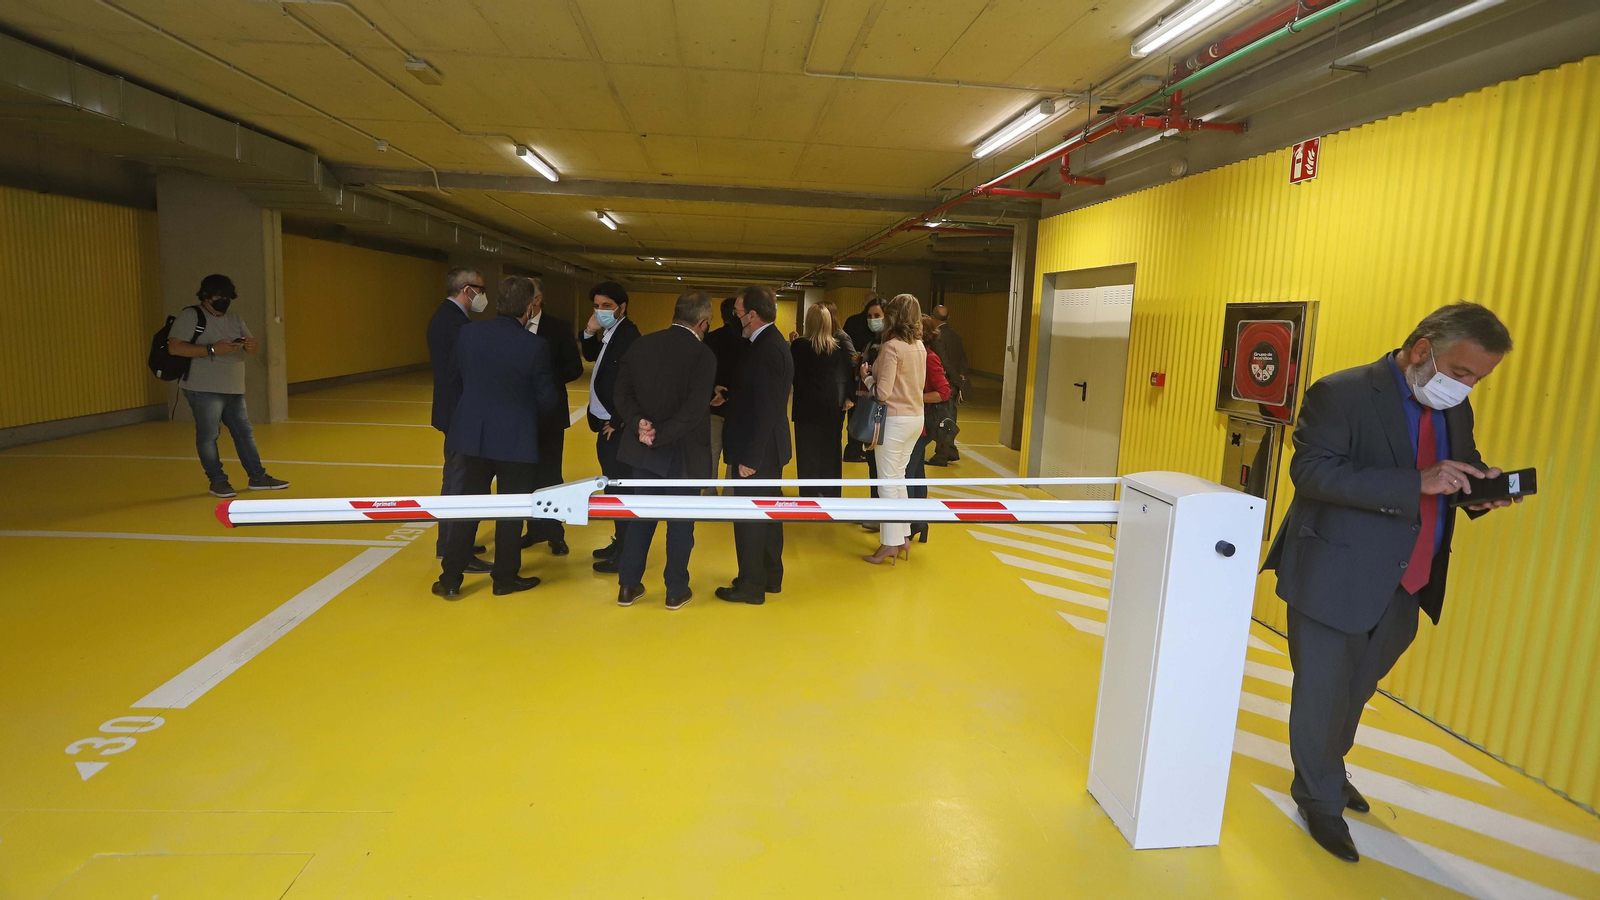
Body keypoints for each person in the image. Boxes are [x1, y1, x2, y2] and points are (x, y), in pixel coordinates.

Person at [1262, 302, 1517, 863]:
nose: (1467, 387)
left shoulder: (1454, 409)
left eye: (1478, 380)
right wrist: (1414, 481)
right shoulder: (1342, 392)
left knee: (1357, 690)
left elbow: (1460, 465)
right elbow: (1312, 471)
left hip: (1409, 579)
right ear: (1423, 348)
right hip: (1336, 573)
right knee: (1322, 694)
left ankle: (1328, 767)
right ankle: (1318, 799)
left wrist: (1482, 492)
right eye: (1463, 373)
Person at [433, 276, 563, 600]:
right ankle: (504, 578)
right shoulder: (534, 346)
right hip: (516, 440)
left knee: (468, 508)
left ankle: (450, 578)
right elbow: (547, 400)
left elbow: (452, 378)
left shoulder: (468, 333)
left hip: (472, 436)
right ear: (529, 307)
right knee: (511, 513)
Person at [611, 291, 718, 610]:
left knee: (640, 519)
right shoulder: (703, 356)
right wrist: (661, 435)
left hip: (644, 452)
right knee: (681, 524)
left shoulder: (642, 344)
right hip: (684, 453)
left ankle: (628, 587)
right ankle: (675, 590)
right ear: (703, 323)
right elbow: (695, 410)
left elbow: (622, 393)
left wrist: (638, 424)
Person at [165, 274, 289, 499]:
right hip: (203, 388)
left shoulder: (234, 318)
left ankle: (258, 476)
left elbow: (253, 350)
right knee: (209, 435)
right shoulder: (191, 315)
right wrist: (212, 349)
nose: (223, 300)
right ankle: (218, 481)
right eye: (218, 296)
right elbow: (174, 347)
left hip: (233, 387)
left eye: (227, 296)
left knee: (244, 432)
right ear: (205, 295)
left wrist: (250, 345)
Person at [715, 285, 794, 606]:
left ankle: (750, 585)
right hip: (764, 448)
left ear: (753, 314)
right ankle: (769, 575)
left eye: (738, 311)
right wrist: (731, 394)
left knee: (749, 518)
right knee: (768, 515)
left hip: (757, 451)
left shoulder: (768, 349)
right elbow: (758, 395)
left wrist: (751, 457)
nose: (735, 317)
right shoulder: (763, 344)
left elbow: (768, 408)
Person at [427, 267, 489, 569]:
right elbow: (459, 372)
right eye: (481, 289)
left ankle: (452, 541)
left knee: (455, 477)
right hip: (459, 413)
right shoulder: (455, 324)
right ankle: (455, 550)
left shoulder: (446, 318)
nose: (483, 296)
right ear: (467, 290)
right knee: (459, 480)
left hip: (452, 410)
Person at [581, 282, 642, 569]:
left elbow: (633, 385)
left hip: (615, 426)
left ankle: (626, 553)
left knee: (619, 489)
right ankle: (621, 541)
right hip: (605, 422)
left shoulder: (629, 336)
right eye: (597, 305)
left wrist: (617, 420)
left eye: (606, 306)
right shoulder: (610, 332)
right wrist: (589, 332)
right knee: (613, 486)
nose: (600, 311)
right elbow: (591, 356)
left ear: (622, 307)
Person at [522, 277, 584, 556]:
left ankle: (555, 533)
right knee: (523, 476)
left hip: (549, 416)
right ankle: (532, 529)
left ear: (538, 300)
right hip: (518, 416)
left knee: (550, 476)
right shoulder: (512, 326)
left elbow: (574, 368)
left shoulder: (557, 328)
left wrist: (544, 378)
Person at [862, 293, 926, 565]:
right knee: (898, 479)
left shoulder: (892, 348)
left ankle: (889, 543)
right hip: (915, 419)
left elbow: (883, 392)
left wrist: (866, 377)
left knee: (886, 483)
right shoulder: (920, 346)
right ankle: (902, 536)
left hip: (895, 421)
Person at [790, 304, 853, 499]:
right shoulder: (835, 347)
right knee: (830, 449)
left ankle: (809, 492)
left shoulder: (800, 345)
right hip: (829, 402)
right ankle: (831, 490)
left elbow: (795, 374)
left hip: (806, 403)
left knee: (807, 450)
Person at [905, 315, 953, 543]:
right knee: (916, 474)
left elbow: (943, 392)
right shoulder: (918, 356)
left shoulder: (929, 358)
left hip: (922, 424)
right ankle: (919, 523)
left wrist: (916, 397)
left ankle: (912, 523)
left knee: (908, 475)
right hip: (917, 423)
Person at [703, 296, 747, 490]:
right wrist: (728, 394)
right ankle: (730, 492)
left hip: (713, 404)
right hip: (737, 407)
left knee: (711, 452)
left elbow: (703, 372)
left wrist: (715, 388)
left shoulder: (710, 338)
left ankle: (709, 492)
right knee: (734, 451)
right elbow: (746, 376)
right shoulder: (747, 342)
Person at [842, 296, 885, 465]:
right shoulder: (871, 340)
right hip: (865, 395)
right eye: (869, 316)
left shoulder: (888, 343)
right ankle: (854, 449)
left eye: (876, 316)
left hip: (880, 402)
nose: (872, 320)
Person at [926, 301, 968, 465]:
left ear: (933, 317)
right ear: (947, 318)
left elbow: (944, 361)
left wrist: (954, 377)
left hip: (945, 382)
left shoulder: (937, 337)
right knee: (951, 418)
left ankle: (942, 455)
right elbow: (963, 357)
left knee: (943, 420)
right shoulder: (956, 334)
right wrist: (961, 376)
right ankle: (950, 450)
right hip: (955, 382)